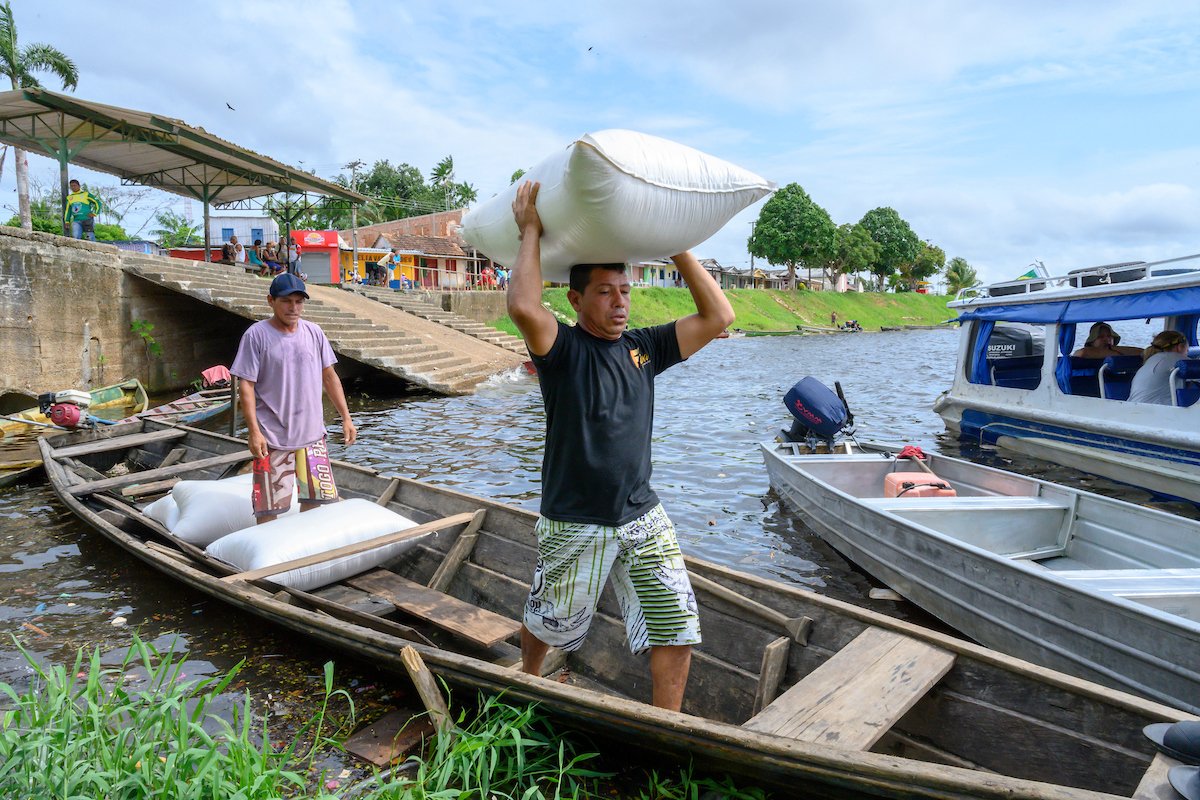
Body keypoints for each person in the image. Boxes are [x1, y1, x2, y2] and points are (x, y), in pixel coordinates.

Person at [506, 180, 734, 712]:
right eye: (605, 292)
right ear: (576, 299)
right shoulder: (561, 348)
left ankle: (666, 731)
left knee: (675, 624)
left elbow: (719, 317)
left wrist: (678, 243)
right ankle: (529, 685)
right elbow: (522, 305)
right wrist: (532, 230)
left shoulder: (645, 347)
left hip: (642, 514)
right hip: (574, 517)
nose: (619, 302)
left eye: (625, 290)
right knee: (549, 620)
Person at [230, 273, 357, 522]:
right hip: (273, 437)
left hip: (312, 435)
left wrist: (346, 417)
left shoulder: (314, 332)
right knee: (269, 508)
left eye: (299, 301)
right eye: (287, 301)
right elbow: (246, 385)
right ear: (271, 301)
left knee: (315, 499)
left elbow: (329, 377)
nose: (294, 307)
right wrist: (253, 431)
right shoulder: (256, 335)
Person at [1128, 330, 1190, 405]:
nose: (1187, 355)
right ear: (1179, 347)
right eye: (1187, 351)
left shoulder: (1151, 361)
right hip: (1154, 413)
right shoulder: (1175, 358)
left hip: (1134, 409)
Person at [1072, 322, 1142, 359]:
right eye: (1100, 337)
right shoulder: (1084, 353)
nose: (1106, 339)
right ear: (1092, 342)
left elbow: (1143, 353)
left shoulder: (1116, 350)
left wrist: (1113, 348)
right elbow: (1082, 353)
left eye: (1109, 336)